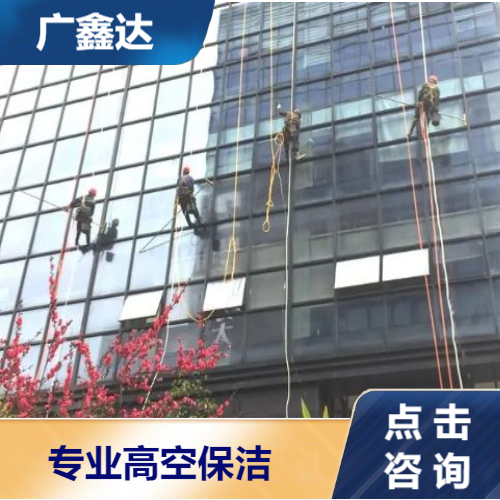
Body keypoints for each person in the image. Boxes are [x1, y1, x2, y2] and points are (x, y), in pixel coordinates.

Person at [177, 166, 203, 231]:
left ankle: (190, 224)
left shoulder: (179, 179)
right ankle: (199, 222)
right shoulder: (190, 178)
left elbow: (177, 190)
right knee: (194, 210)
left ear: (183, 172)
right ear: (188, 172)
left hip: (182, 199)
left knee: (186, 213)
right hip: (189, 197)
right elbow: (192, 189)